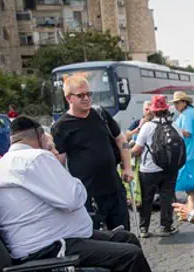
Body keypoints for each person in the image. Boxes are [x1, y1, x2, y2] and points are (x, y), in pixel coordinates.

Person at [0, 117, 186, 272]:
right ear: (40, 136)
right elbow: (73, 198)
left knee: (125, 238)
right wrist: (52, 156)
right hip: (49, 248)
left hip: (48, 242)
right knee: (130, 256)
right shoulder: (35, 158)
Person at [52, 74, 134, 231]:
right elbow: (59, 162)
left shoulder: (100, 114)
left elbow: (121, 140)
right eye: (80, 95)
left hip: (114, 188)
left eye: (89, 94)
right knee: (98, 240)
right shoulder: (61, 127)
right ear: (69, 98)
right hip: (88, 195)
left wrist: (127, 167)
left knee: (124, 235)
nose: (86, 98)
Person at [131, 96, 179, 238]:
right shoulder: (173, 125)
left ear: (153, 111)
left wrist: (127, 154)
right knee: (166, 197)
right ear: (166, 110)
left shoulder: (147, 126)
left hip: (149, 170)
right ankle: (166, 226)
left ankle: (144, 229)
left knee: (147, 199)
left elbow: (137, 149)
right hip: (169, 169)